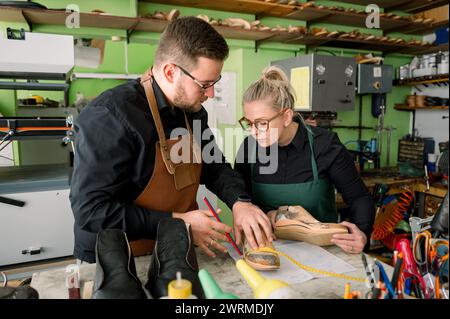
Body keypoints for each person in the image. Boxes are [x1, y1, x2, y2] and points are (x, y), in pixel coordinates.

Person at [70, 17, 273, 263]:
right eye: (204, 84)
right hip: (114, 257)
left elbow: (214, 166)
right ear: (170, 72)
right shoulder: (110, 116)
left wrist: (240, 203)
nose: (210, 94)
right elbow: (90, 211)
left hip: (173, 248)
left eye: (214, 84)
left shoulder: (192, 111)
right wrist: (179, 223)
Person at [234, 66, 375, 254]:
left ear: (286, 116)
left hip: (323, 251)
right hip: (267, 249)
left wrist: (362, 233)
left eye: (262, 123)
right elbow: (242, 199)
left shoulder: (324, 145)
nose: (253, 131)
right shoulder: (249, 148)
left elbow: (359, 198)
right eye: (249, 123)